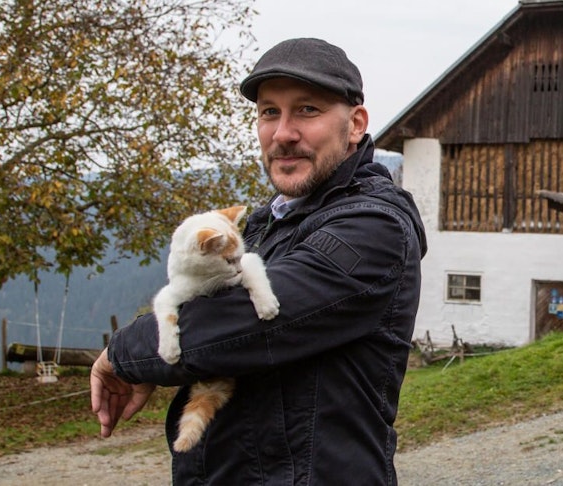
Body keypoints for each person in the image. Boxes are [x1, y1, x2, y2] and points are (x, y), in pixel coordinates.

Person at [90, 37, 426, 484]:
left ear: (355, 124)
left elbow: (243, 322)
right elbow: (205, 307)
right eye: (270, 112)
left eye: (307, 110)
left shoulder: (373, 227)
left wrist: (122, 353)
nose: (283, 134)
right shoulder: (270, 221)